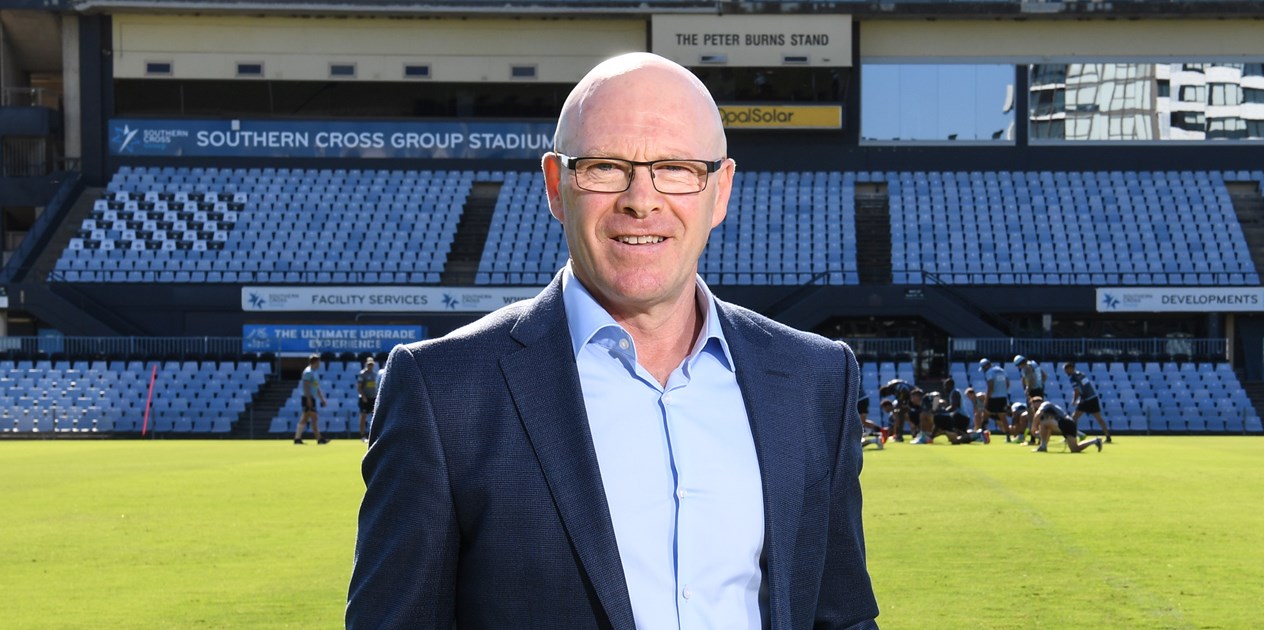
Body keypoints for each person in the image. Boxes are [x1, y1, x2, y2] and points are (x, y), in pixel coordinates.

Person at [349, 53, 877, 629]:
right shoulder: (443, 392)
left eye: (676, 168)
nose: (641, 200)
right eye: (604, 167)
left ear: (720, 190)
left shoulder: (814, 378)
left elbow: (842, 616)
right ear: (556, 186)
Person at [1029, 396, 1104, 453]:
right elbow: (1048, 430)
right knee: (1075, 449)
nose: (1033, 406)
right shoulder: (1046, 412)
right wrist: (1042, 436)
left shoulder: (1045, 404)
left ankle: (1043, 447)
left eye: (1034, 404)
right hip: (1070, 423)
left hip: (1064, 421)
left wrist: (1033, 428)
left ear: (1038, 402)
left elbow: (1038, 414)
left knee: (1043, 423)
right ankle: (1095, 441)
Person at [1064, 362, 1111, 443]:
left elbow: (1077, 391)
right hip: (1093, 398)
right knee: (1099, 419)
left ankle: (1071, 437)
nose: (1065, 372)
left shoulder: (1073, 378)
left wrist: (1074, 401)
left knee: (1073, 418)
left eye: (1066, 370)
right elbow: (1086, 387)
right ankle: (1108, 436)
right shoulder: (1081, 374)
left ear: (1070, 368)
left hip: (1085, 400)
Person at [294, 354, 327, 445]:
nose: (319, 364)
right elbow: (306, 386)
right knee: (313, 418)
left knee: (306, 418)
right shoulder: (308, 372)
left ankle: (297, 438)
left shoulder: (314, 372)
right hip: (308, 398)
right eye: (318, 362)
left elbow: (316, 387)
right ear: (315, 362)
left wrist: (322, 398)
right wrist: (308, 399)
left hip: (312, 397)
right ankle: (319, 439)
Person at [980, 358, 1013, 441]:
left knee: (985, 415)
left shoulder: (989, 372)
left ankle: (983, 435)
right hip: (1003, 397)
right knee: (1003, 417)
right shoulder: (1002, 371)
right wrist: (1003, 392)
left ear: (986, 366)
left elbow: (990, 386)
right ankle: (1008, 436)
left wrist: (986, 399)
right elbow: (1008, 383)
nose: (983, 370)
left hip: (993, 397)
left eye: (983, 368)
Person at [356, 356, 378, 444]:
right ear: (366, 364)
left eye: (371, 364)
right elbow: (359, 387)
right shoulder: (363, 374)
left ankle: (373, 435)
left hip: (373, 398)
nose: (370, 366)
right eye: (369, 364)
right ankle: (362, 435)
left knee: (374, 417)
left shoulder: (374, 374)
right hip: (365, 398)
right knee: (363, 416)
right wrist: (363, 396)